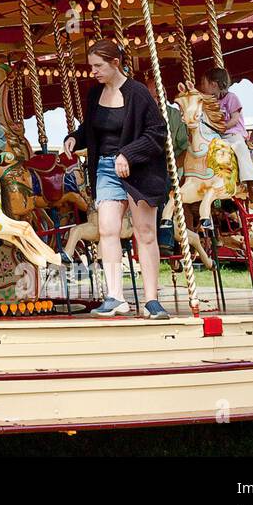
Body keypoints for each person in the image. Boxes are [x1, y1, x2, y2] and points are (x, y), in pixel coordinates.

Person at [64, 40, 171, 319]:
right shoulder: (94, 94)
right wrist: (75, 137)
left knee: (145, 233)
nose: (94, 72)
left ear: (115, 63)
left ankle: (151, 299)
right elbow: (91, 127)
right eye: (91, 67)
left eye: (98, 66)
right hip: (105, 168)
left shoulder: (138, 94)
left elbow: (157, 132)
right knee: (107, 230)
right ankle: (115, 296)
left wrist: (128, 154)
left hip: (139, 169)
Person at [139, 67, 189, 256]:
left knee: (162, 188)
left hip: (170, 168)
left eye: (156, 95)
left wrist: (174, 166)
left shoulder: (174, 116)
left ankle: (165, 239)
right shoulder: (140, 117)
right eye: (150, 96)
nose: (154, 99)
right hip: (147, 167)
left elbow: (184, 146)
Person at [200, 66, 253, 202]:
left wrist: (224, 127)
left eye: (204, 83)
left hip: (233, 134)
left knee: (240, 148)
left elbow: (234, 118)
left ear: (213, 84)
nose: (202, 87)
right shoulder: (209, 101)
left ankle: (251, 183)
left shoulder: (231, 97)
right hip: (216, 136)